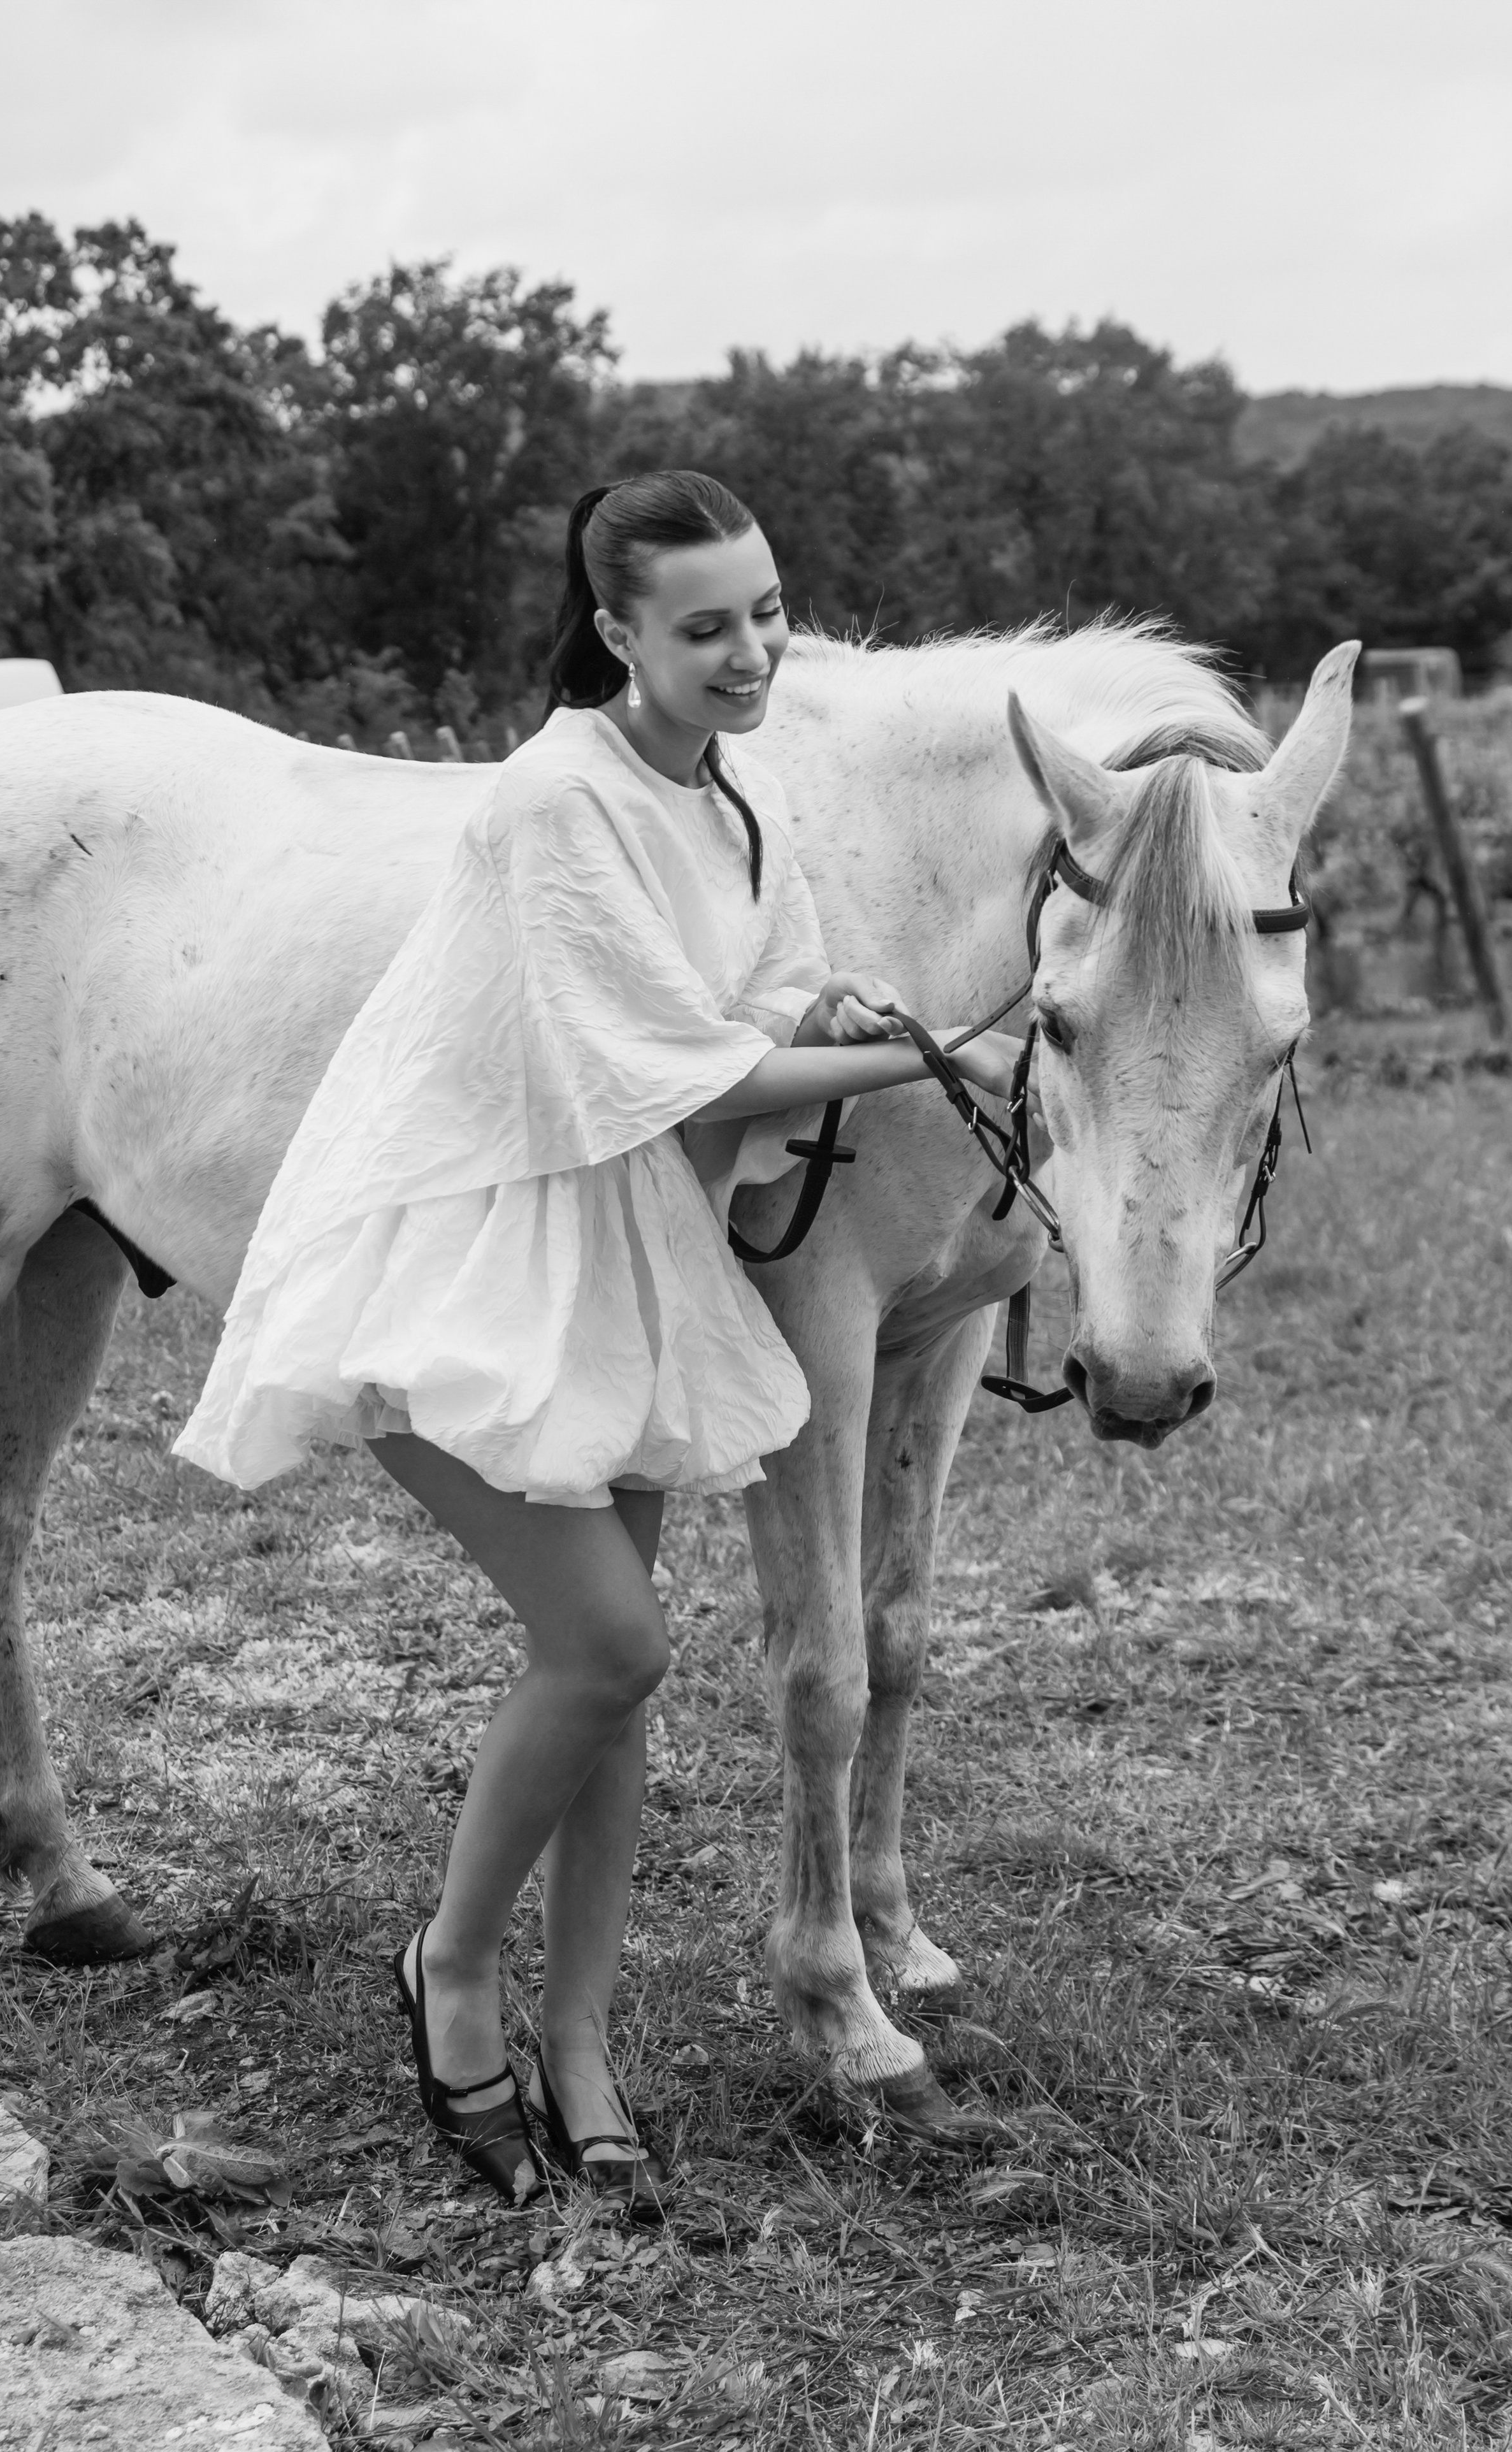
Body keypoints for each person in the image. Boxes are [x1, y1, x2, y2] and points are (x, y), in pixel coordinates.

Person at [175, 470, 1017, 2219]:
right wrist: (936, 1054)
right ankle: (452, 1968)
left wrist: (833, 1012)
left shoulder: (735, 797)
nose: (751, 652)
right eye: (705, 626)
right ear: (617, 629)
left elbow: (752, 1000)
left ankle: (580, 2044)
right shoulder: (554, 799)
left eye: (769, 613)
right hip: (470, 1247)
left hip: (626, 1252)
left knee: (609, 1691)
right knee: (614, 1644)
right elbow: (672, 1072)